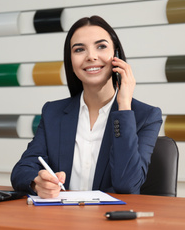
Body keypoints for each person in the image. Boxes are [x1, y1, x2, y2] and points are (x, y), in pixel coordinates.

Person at [11, 15, 162, 198]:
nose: (91, 56)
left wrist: (124, 106)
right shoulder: (53, 112)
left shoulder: (145, 116)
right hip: (60, 221)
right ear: (71, 61)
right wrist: (37, 182)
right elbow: (21, 170)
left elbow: (127, 185)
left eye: (101, 46)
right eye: (79, 50)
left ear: (116, 55)